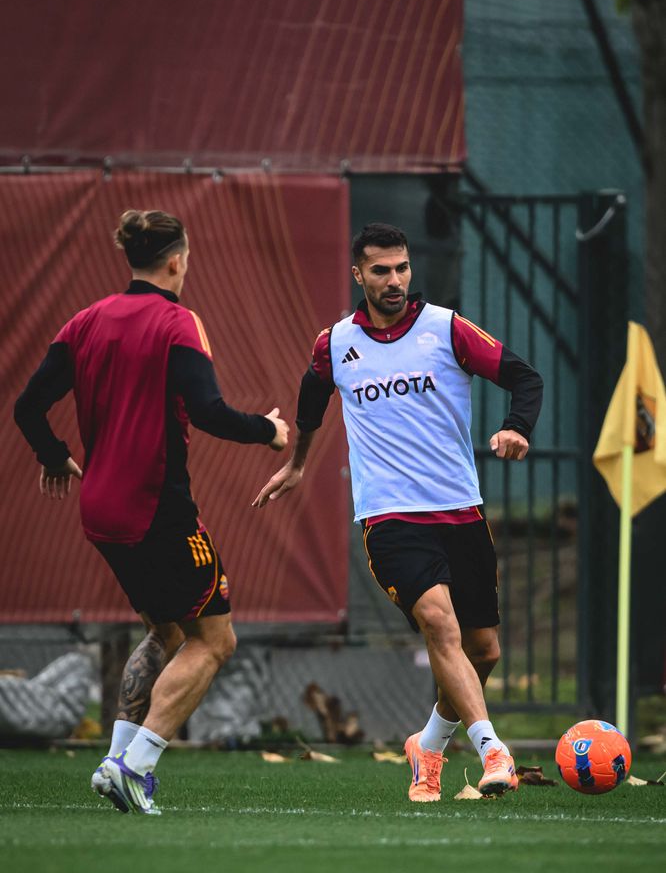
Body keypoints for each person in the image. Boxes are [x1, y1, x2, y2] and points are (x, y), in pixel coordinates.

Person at [253, 222, 543, 800]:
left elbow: (523, 377)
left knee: (482, 650)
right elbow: (312, 399)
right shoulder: (334, 342)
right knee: (440, 623)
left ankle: (428, 745)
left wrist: (516, 428)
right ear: (358, 274)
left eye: (402, 268)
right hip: (390, 516)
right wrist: (300, 462)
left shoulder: (446, 328)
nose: (395, 281)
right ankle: (494, 751)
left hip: (461, 510)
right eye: (381, 270)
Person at [15, 209, 289, 815]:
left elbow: (28, 406)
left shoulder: (84, 321)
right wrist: (268, 432)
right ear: (176, 261)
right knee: (216, 640)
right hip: (156, 510)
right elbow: (211, 411)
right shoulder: (176, 322)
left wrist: (55, 456)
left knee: (166, 632)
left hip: (101, 513)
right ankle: (130, 765)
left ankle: (114, 762)